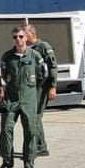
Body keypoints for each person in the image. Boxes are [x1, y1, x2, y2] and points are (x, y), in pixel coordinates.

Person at [0, 25, 51, 168]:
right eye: (15, 37)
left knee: (30, 131)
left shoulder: (34, 56)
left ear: (26, 37)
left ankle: (29, 164)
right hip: (12, 99)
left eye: (21, 36)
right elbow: (4, 75)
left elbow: (43, 75)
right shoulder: (7, 56)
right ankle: (7, 162)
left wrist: (31, 89)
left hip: (29, 100)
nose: (18, 40)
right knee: (5, 130)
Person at [24, 23, 59, 157]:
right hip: (32, 87)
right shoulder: (28, 49)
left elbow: (53, 67)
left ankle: (40, 146)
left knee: (36, 116)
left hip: (42, 87)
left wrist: (53, 86)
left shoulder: (44, 47)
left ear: (31, 34)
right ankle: (39, 145)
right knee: (33, 116)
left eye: (24, 34)